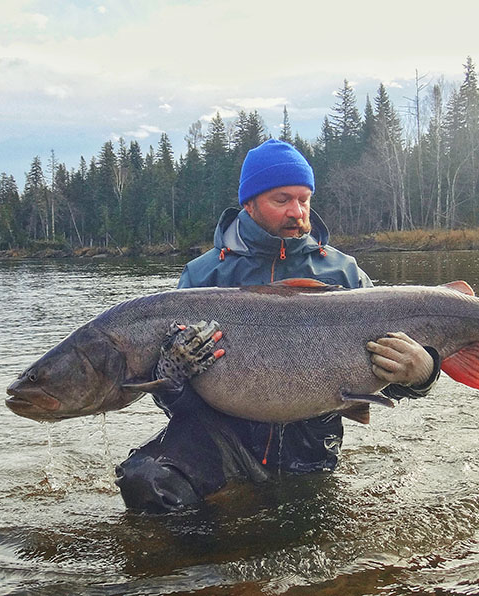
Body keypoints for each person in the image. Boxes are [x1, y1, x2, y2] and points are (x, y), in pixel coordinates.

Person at [115, 139, 441, 513]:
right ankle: (199, 570)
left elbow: (384, 380)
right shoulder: (203, 276)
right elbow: (174, 400)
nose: (297, 212)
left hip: (310, 451)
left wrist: (422, 372)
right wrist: (170, 376)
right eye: (282, 199)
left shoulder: (344, 274)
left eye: (304, 199)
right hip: (218, 439)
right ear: (249, 203)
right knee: (144, 480)